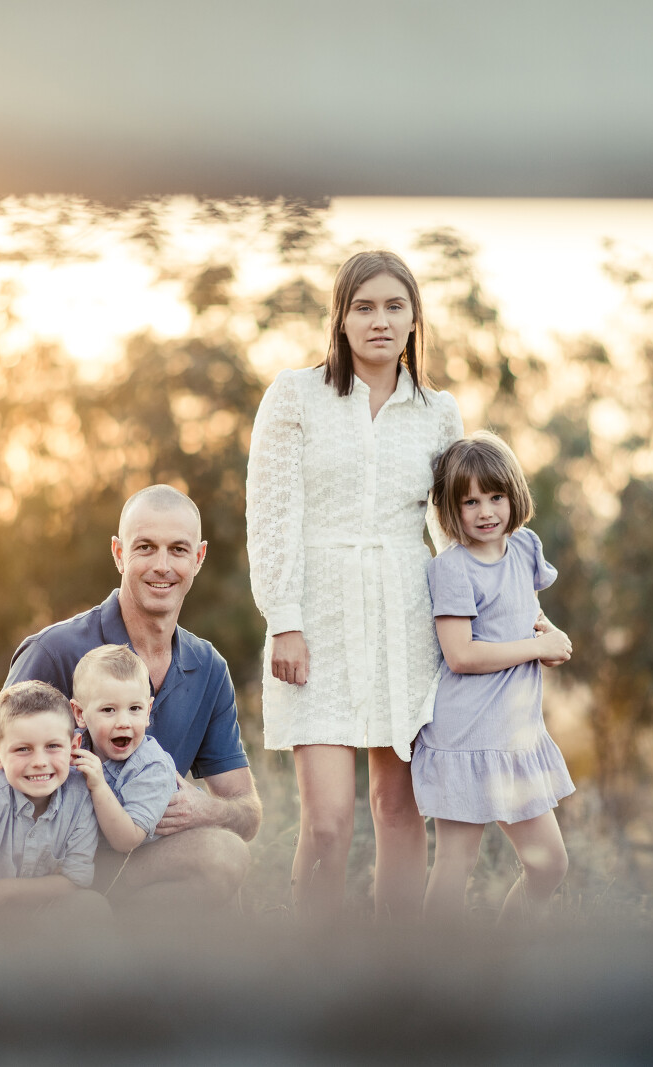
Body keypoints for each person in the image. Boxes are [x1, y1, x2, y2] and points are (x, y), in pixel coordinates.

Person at [246, 250, 464, 921]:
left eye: (395, 306)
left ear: (414, 318)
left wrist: (500, 610)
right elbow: (272, 513)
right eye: (363, 306)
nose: (380, 320)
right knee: (328, 822)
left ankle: (394, 966)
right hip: (318, 617)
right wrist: (284, 618)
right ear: (340, 318)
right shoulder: (295, 395)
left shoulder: (438, 411)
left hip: (407, 617)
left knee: (398, 808)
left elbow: (455, 532)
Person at [0, 485, 261, 912]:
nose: (162, 565)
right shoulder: (56, 651)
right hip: (48, 873)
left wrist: (207, 811)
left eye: (177, 549)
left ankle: (136, 953)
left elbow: (246, 810)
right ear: (119, 553)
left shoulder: (208, 667)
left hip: (132, 860)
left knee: (224, 857)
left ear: (198, 557)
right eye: (145, 547)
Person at [416, 432, 575, 923]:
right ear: (452, 508)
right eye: (470, 502)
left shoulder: (524, 547)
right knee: (456, 863)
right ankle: (432, 963)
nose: (486, 512)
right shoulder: (452, 569)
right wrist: (536, 648)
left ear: (514, 496)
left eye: (496, 497)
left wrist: (549, 635)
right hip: (466, 735)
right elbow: (460, 654)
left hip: (517, 734)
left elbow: (526, 613)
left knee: (549, 863)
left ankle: (506, 952)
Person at [0, 680, 110, 920]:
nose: (39, 762)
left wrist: (3, 892)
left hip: (40, 917)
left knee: (92, 905)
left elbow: (76, 880)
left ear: (73, 746)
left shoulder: (80, 794)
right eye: (23, 749)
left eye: (53, 746)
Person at [69, 643, 179, 852]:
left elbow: (127, 841)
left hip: (150, 853)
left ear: (148, 711)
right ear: (80, 714)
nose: (123, 722)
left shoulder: (152, 766)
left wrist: (98, 786)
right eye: (108, 710)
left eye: (134, 708)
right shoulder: (72, 746)